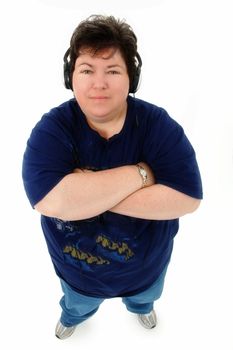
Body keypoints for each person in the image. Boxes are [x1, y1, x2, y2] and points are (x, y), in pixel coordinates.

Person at [22, 15, 203, 340]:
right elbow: (50, 201)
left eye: (113, 71)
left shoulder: (157, 126)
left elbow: (187, 199)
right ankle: (74, 315)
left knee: (145, 297)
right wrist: (142, 174)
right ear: (71, 77)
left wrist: (87, 191)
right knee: (77, 304)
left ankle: (141, 309)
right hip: (79, 273)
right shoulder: (53, 130)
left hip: (146, 267)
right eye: (87, 70)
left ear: (130, 78)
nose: (99, 83)